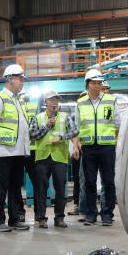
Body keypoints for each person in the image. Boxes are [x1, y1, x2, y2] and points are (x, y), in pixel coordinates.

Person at [0, 64, 31, 232]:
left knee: (15, 187)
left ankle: (14, 219)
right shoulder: (0, 99)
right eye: (20, 79)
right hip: (4, 151)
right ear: (10, 79)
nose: (22, 82)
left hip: (18, 151)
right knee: (1, 187)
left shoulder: (17, 100)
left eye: (23, 80)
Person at [29, 90, 80, 228]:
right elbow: (32, 135)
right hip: (42, 157)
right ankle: (41, 218)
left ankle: (59, 218)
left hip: (59, 157)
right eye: (51, 100)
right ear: (45, 102)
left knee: (60, 190)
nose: (54, 103)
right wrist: (47, 126)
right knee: (41, 189)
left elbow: (75, 131)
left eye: (56, 100)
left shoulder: (65, 117)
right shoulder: (38, 118)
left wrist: (62, 137)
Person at [76, 69, 120, 226]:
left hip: (107, 147)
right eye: (94, 83)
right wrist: (78, 145)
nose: (97, 86)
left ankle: (107, 214)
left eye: (99, 83)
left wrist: (112, 141)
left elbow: (117, 124)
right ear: (87, 84)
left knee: (108, 181)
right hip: (88, 148)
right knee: (89, 182)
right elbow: (77, 126)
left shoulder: (111, 100)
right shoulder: (81, 103)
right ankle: (91, 214)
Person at [16, 92, 38, 223]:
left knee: (16, 183)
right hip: (32, 150)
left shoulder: (14, 106)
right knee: (38, 183)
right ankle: (39, 213)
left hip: (18, 150)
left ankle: (20, 213)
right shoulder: (34, 107)